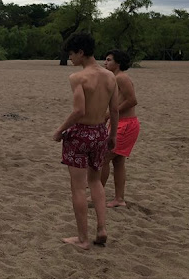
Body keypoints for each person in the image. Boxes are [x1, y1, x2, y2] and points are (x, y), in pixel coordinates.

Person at [53, 32, 118, 250]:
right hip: (100, 131)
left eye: (71, 54)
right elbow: (115, 110)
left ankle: (82, 238)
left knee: (78, 188)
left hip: (80, 134)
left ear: (80, 52)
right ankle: (102, 228)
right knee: (96, 181)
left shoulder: (78, 78)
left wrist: (60, 130)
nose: (70, 58)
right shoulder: (110, 76)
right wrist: (112, 135)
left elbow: (79, 111)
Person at [101, 49, 140, 208]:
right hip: (120, 123)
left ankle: (98, 194)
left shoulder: (121, 78)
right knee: (118, 162)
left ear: (118, 63)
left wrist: (111, 113)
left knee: (103, 158)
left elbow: (132, 100)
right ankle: (119, 198)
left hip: (126, 124)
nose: (105, 62)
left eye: (109, 60)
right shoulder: (114, 78)